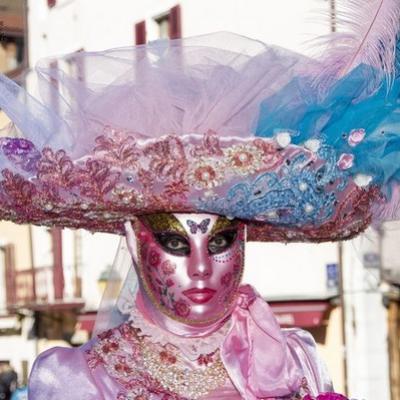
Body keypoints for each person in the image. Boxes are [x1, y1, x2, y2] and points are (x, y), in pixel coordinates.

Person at [0, 2, 399, 399]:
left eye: (221, 241)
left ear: (243, 238)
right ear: (134, 240)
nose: (202, 267)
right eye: (175, 242)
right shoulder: (76, 379)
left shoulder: (291, 359)